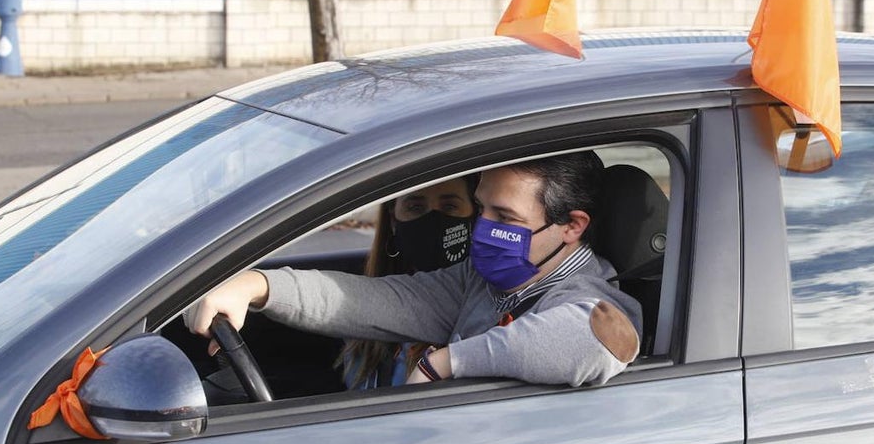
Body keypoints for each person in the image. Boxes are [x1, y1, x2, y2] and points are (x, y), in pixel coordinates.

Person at [185, 151, 642, 388]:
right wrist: (258, 285)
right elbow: (372, 301)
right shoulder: (484, 281)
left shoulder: (588, 295)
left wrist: (445, 362)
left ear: (571, 226)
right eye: (481, 209)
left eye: (505, 219)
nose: (481, 228)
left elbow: (599, 340)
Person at [338, 176, 478, 390]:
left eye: (449, 206)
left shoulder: (480, 315)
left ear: (474, 216)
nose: (433, 220)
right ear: (393, 221)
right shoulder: (367, 324)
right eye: (415, 207)